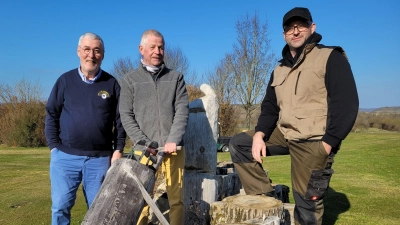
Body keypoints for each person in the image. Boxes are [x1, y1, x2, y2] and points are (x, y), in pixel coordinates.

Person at [229, 7, 358, 225]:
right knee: (240, 144)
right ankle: (268, 199)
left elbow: (347, 104)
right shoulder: (279, 68)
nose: (295, 31)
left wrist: (328, 144)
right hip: (285, 134)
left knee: (306, 208)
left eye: (300, 26)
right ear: (284, 34)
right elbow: (270, 107)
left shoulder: (330, 57)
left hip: (314, 142)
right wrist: (259, 135)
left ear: (312, 27)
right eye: (289, 27)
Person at [45, 32, 126, 225]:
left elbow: (120, 120)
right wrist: (54, 146)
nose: (91, 55)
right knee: (60, 208)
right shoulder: (64, 81)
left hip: (99, 160)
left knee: (100, 211)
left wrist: (118, 150)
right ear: (79, 52)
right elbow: (52, 113)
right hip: (65, 158)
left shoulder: (112, 83)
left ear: (103, 54)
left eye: (97, 51)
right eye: (87, 50)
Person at [119, 29, 189, 225]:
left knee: (176, 200)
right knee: (141, 199)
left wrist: (173, 139)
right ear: (141, 49)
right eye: (152, 47)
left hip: (174, 149)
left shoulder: (176, 78)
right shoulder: (129, 81)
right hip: (144, 152)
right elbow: (126, 115)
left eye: (161, 47)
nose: (157, 51)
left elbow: (182, 111)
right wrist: (144, 143)